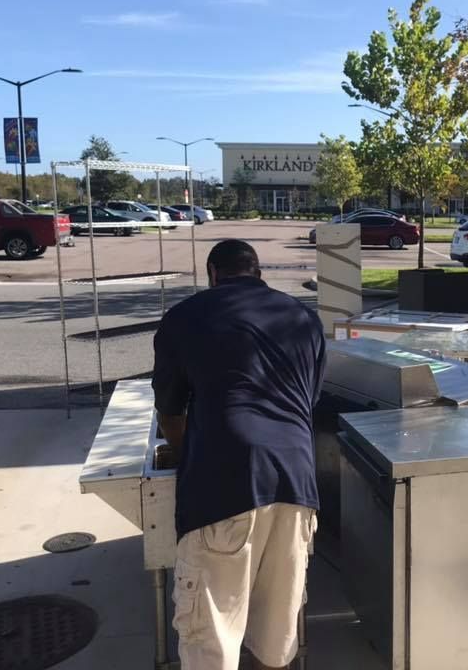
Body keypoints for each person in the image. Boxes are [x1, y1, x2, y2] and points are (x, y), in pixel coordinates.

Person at [152, 239, 326, 670]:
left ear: (212, 273)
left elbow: (170, 413)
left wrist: (185, 453)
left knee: (211, 642)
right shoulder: (303, 317)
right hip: (296, 483)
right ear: (258, 273)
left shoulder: (185, 317)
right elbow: (306, 403)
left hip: (223, 487)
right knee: (276, 639)